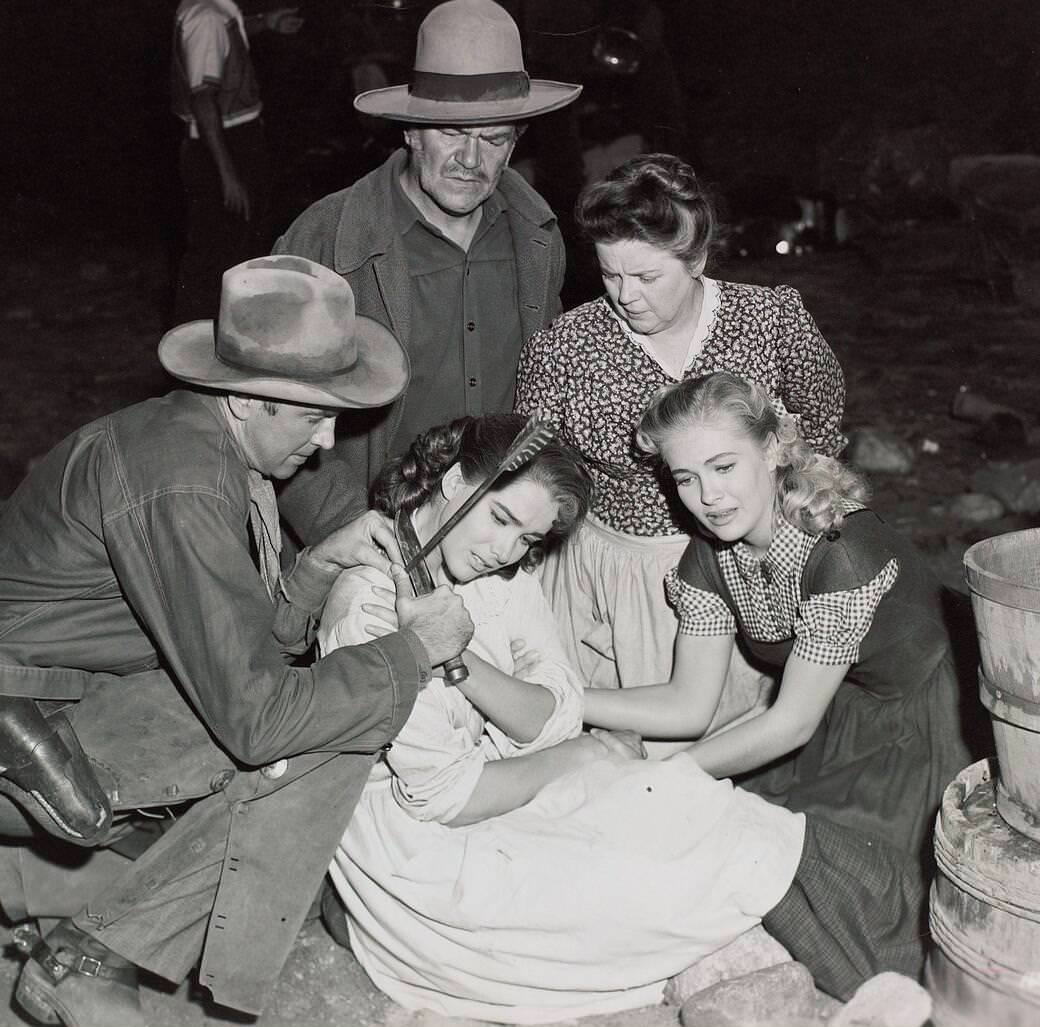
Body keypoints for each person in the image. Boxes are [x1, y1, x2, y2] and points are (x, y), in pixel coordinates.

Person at [0, 256, 475, 1027]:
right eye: (313, 415)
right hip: (4, 743)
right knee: (331, 732)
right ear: (243, 396)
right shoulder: (182, 477)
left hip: (43, 713)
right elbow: (259, 716)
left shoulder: (199, 440)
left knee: (267, 843)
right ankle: (86, 963)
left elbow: (232, 646)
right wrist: (414, 650)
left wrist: (313, 570)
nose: (331, 439)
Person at [318, 413, 930, 1020]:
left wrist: (470, 664)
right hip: (424, 849)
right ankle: (854, 969)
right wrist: (585, 753)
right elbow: (449, 795)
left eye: (528, 539)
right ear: (453, 483)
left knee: (717, 823)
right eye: (500, 519)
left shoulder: (495, 566)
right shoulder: (371, 611)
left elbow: (556, 702)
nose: (505, 550)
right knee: (692, 851)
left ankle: (905, 972)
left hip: (505, 782)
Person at [585, 371, 979, 887]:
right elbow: (687, 705)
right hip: (841, 709)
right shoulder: (710, 554)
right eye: (685, 478)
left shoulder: (842, 551)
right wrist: (565, 699)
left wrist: (664, 778)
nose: (708, 497)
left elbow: (790, 723)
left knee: (833, 875)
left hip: (936, 716)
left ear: (771, 450)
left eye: (724, 467)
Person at [514, 154, 846, 731]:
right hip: (622, 577)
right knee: (628, 746)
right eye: (610, 274)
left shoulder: (771, 321)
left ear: (695, 258)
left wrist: (787, 536)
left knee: (745, 736)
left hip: (747, 568)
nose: (626, 295)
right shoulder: (564, 348)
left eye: (647, 277)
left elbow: (819, 427)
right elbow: (533, 474)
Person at [272, 0, 580, 549]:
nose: (470, 158)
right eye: (451, 133)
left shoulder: (538, 236)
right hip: (366, 535)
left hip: (498, 540)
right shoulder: (327, 238)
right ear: (411, 132)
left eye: (493, 138)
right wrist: (363, 536)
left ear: (517, 141)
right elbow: (274, 414)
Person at [170, 0, 303, 322]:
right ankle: (199, 348)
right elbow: (203, 100)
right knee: (220, 259)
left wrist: (266, 22)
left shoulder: (213, 9)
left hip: (230, 140)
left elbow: (231, 33)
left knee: (233, 251)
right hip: (223, 145)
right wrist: (228, 176)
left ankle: (223, 340)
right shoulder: (207, 19)